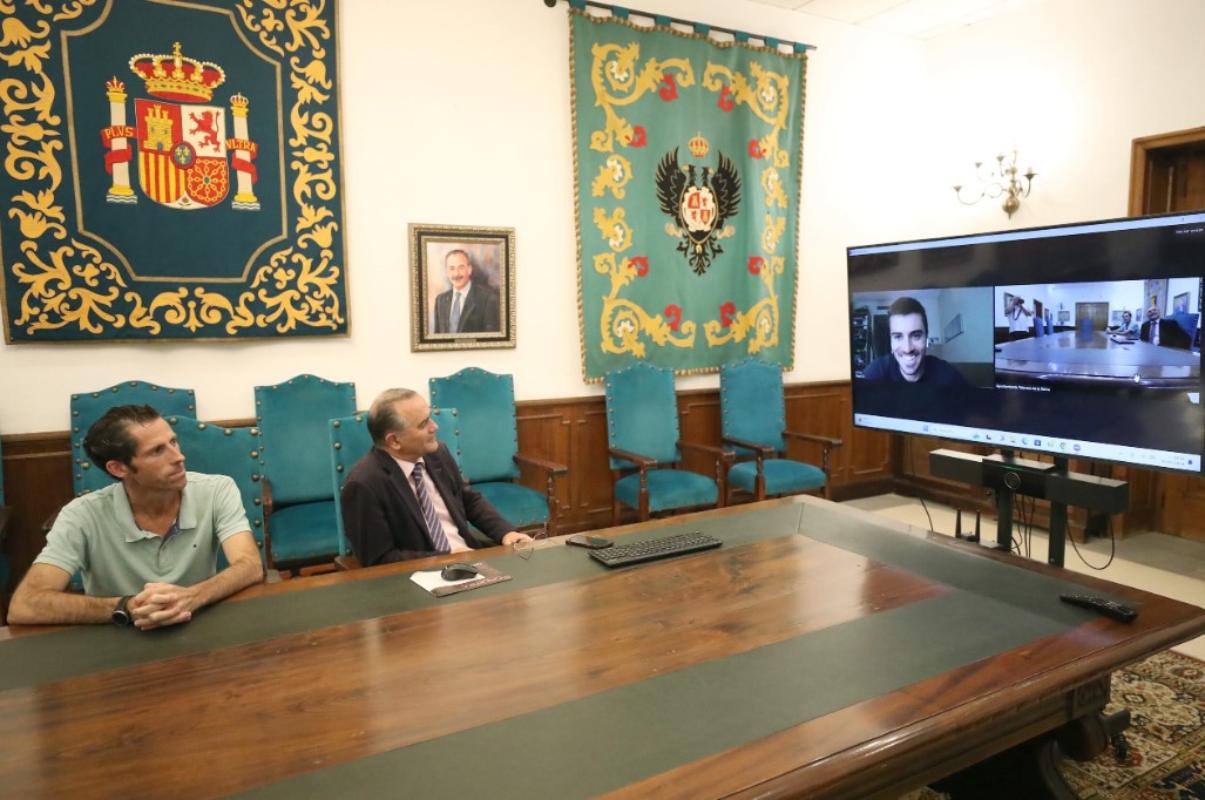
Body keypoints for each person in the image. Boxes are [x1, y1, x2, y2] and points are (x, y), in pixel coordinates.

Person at [7, 405, 263, 628]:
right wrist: (127, 607)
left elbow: (250, 565)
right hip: (118, 637)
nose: (179, 457)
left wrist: (192, 597)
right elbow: (24, 605)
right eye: (157, 451)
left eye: (173, 442)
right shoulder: (80, 515)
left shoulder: (217, 489)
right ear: (119, 468)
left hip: (199, 624)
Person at [340, 388, 532, 566]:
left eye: (430, 418)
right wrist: (445, 557)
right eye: (424, 424)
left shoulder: (437, 453)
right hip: (417, 577)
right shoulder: (363, 484)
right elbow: (379, 559)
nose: (435, 427)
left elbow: (468, 500)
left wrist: (506, 532)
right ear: (394, 441)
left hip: (469, 557)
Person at [861, 296, 968, 386]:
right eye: (898, 337)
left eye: (916, 335)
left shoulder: (946, 375)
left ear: (926, 337)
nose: (907, 348)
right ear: (891, 342)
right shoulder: (877, 372)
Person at [432, 249, 501, 334]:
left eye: (461, 267)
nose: (456, 274)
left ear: (469, 269)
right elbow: (437, 339)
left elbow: (492, 340)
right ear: (447, 272)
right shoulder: (440, 301)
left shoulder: (488, 299)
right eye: (451, 268)